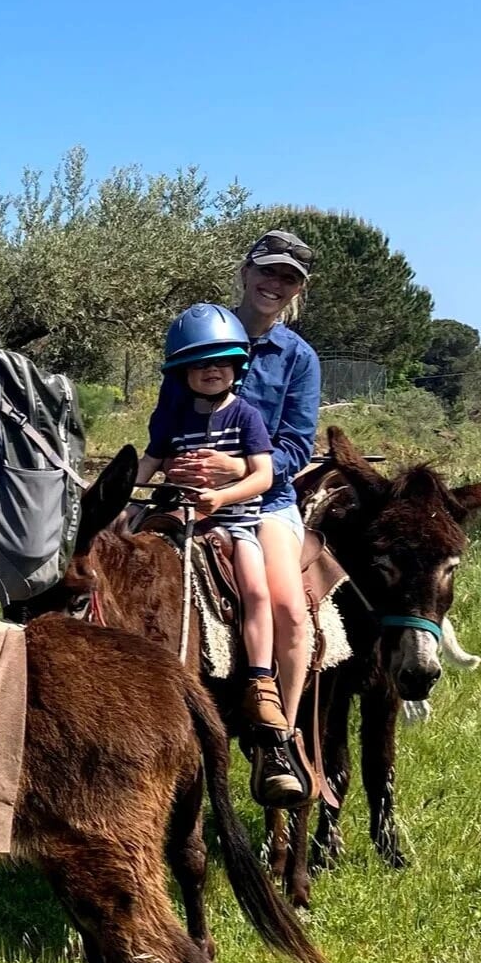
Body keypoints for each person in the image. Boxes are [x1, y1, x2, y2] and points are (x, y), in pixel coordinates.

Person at [154, 230, 321, 786]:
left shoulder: (298, 358)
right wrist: (170, 466)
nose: (275, 284)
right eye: (268, 271)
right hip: (186, 497)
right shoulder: (197, 334)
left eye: (288, 278)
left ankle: (279, 740)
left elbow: (297, 444)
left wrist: (239, 469)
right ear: (246, 272)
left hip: (264, 501)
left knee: (289, 609)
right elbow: (164, 426)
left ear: (297, 290)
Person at [138, 304, 301, 804]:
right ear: (182, 373)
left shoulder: (246, 416)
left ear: (237, 367)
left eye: (221, 363)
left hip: (234, 520)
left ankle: (260, 682)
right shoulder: (175, 416)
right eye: (199, 364)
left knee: (256, 589)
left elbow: (263, 475)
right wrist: (114, 493)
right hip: (179, 517)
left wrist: (222, 497)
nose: (211, 371)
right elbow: (150, 462)